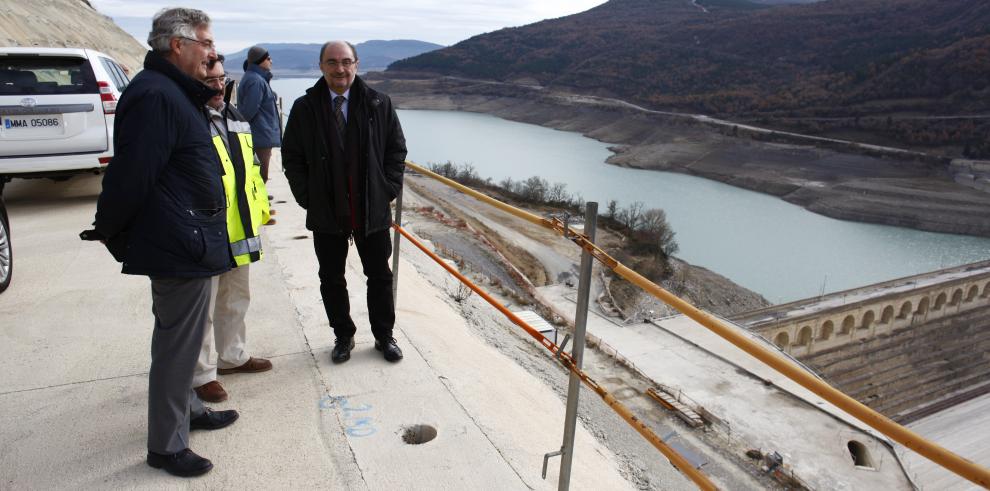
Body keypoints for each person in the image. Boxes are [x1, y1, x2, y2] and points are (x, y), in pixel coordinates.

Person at [93, 7, 237, 478]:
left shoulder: (171, 90)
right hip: (181, 242)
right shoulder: (157, 96)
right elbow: (132, 175)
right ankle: (166, 446)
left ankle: (190, 411)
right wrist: (111, 229)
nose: (213, 53)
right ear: (178, 45)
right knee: (178, 348)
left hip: (190, 237)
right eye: (207, 44)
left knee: (185, 341)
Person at [282, 40, 407, 364]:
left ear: (356, 64)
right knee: (331, 277)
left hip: (372, 210)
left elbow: (396, 151)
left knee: (379, 275)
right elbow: (292, 156)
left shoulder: (379, 103)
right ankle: (343, 335)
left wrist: (387, 189)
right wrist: (307, 196)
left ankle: (384, 336)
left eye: (346, 61)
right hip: (327, 210)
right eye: (333, 62)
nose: (340, 68)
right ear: (322, 66)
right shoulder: (305, 108)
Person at [193, 54, 273, 403]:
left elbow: (252, 169)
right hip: (206, 231)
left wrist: (262, 209)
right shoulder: (188, 120)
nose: (217, 86)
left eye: (221, 79)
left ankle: (232, 357)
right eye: (209, 79)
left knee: (236, 297)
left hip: (240, 229)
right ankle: (201, 374)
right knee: (201, 306)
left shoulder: (235, 116)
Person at [237, 44, 281, 225]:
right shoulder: (256, 80)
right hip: (260, 135)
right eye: (268, 58)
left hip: (260, 133)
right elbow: (248, 110)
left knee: (259, 175)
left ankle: (262, 208)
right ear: (260, 60)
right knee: (259, 175)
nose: (271, 61)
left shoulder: (255, 78)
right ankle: (260, 213)